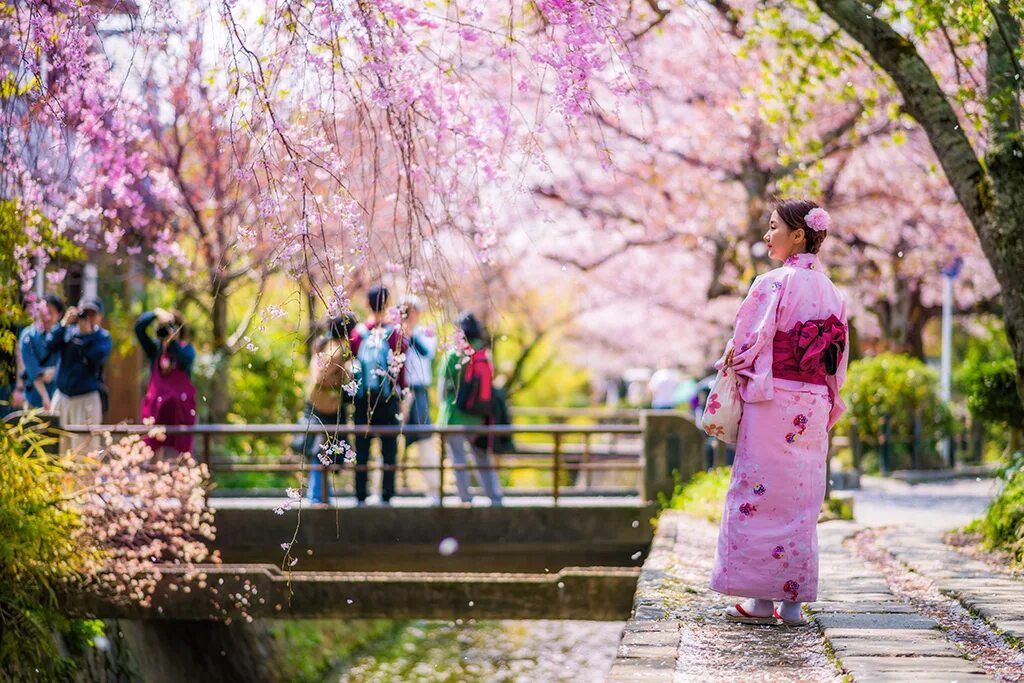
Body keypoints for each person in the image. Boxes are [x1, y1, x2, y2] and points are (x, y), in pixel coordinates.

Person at [710, 200, 848, 626]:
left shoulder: (772, 282)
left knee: (759, 495)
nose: (767, 236)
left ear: (799, 236)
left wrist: (733, 361)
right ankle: (792, 602)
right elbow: (837, 360)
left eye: (774, 228)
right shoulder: (832, 291)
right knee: (801, 501)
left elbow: (749, 344)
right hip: (812, 401)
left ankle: (760, 601)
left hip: (774, 401)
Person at [350, 285, 409, 506]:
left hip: (362, 399)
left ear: (367, 304)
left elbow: (351, 365)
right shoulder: (395, 333)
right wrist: (402, 398)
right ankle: (387, 495)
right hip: (388, 399)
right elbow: (401, 370)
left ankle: (360, 496)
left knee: (362, 451)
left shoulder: (357, 334)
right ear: (387, 304)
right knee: (389, 450)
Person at [437, 311, 503, 506]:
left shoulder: (453, 354)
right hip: (478, 416)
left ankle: (465, 498)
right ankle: (495, 496)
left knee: (458, 458)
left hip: (454, 415)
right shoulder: (484, 353)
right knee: (482, 457)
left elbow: (442, 388)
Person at [297, 314, 357, 504]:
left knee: (324, 451)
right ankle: (318, 495)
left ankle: (320, 493)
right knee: (321, 451)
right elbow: (320, 377)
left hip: (318, 403)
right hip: (325, 407)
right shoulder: (336, 350)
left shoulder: (324, 344)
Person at [46, 297, 112, 456]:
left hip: (86, 399)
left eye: (92, 314)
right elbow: (49, 346)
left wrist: (87, 335)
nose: (87, 318)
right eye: (84, 313)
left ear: (100, 316)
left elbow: (97, 357)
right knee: (55, 450)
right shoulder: (67, 331)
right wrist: (63, 324)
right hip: (62, 397)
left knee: (85, 453)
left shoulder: (102, 337)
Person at [135, 308, 197, 456]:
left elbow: (185, 359)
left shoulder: (186, 349)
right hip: (156, 413)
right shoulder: (155, 350)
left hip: (180, 415)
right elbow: (139, 329)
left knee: (179, 457)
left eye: (172, 326)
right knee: (151, 455)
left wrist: (173, 342)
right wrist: (155, 314)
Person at [399, 295, 441, 504]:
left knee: (425, 438)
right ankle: (384, 487)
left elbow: (426, 353)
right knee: (392, 439)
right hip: (399, 391)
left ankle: (434, 489)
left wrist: (410, 332)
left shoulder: (426, 333)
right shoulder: (393, 333)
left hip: (420, 391)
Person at [18, 294, 65, 411]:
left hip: (60, 400)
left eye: (51, 313)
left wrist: (54, 371)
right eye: (43, 311)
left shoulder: (64, 335)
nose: (46, 317)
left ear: (59, 315)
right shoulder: (28, 335)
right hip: (33, 400)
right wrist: (46, 374)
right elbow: (32, 369)